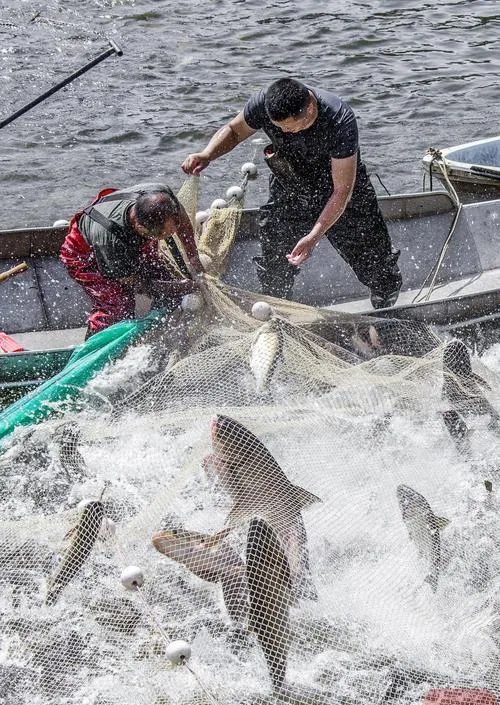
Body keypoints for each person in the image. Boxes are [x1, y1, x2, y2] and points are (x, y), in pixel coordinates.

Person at [182, 78, 402, 307]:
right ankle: (280, 307)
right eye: (278, 127)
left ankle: (385, 299)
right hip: (290, 182)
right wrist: (207, 154)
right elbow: (234, 131)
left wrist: (313, 236)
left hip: (340, 187)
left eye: (289, 127)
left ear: (310, 109)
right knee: (275, 255)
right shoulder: (264, 103)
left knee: (372, 256)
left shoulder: (338, 120)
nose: (283, 131)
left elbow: (341, 191)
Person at [60, 182, 204, 338]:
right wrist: (178, 287)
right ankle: (96, 344)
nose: (171, 235)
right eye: (164, 234)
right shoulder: (111, 241)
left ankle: (157, 328)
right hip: (85, 253)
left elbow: (182, 221)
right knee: (118, 304)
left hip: (130, 239)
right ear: (141, 228)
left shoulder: (162, 196)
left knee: (166, 278)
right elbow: (135, 283)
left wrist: (193, 258)